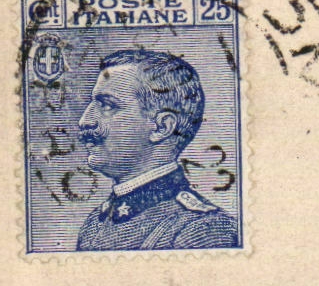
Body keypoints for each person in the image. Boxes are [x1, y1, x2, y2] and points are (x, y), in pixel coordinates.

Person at [74, 49, 237, 250]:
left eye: (107, 106)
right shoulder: (94, 224)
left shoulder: (203, 229)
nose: (85, 121)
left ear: (162, 127)